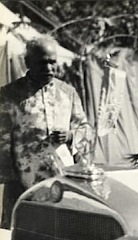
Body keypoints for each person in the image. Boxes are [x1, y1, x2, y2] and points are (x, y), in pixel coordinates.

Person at [0, 37, 88, 228]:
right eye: (42, 62)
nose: (49, 68)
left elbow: (84, 127)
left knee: (60, 237)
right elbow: (2, 141)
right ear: (28, 63)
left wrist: (70, 136)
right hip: (24, 185)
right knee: (21, 239)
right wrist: (10, 180)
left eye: (52, 62)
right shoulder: (9, 95)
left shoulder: (68, 93)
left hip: (61, 184)